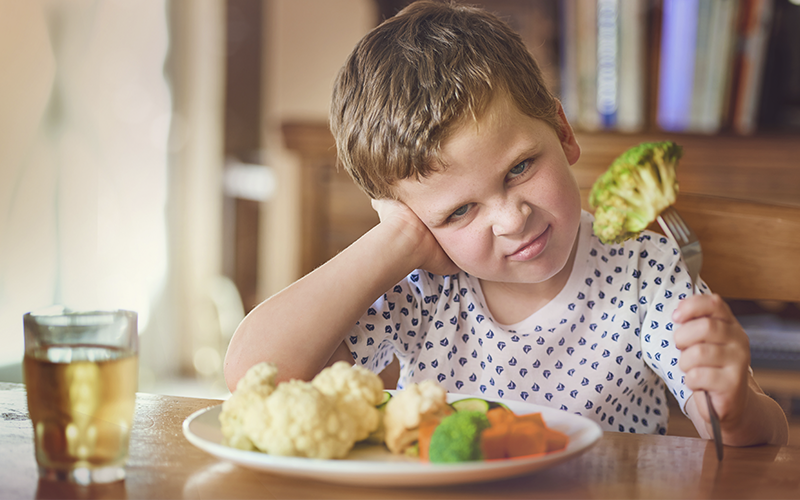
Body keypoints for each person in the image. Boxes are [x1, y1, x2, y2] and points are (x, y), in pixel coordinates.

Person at [224, 0, 788, 444]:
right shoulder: (419, 288)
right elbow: (257, 377)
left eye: (520, 167)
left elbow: (760, 431)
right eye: (459, 210)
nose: (512, 218)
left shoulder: (645, 270)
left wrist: (732, 407)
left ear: (563, 133)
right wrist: (396, 241)